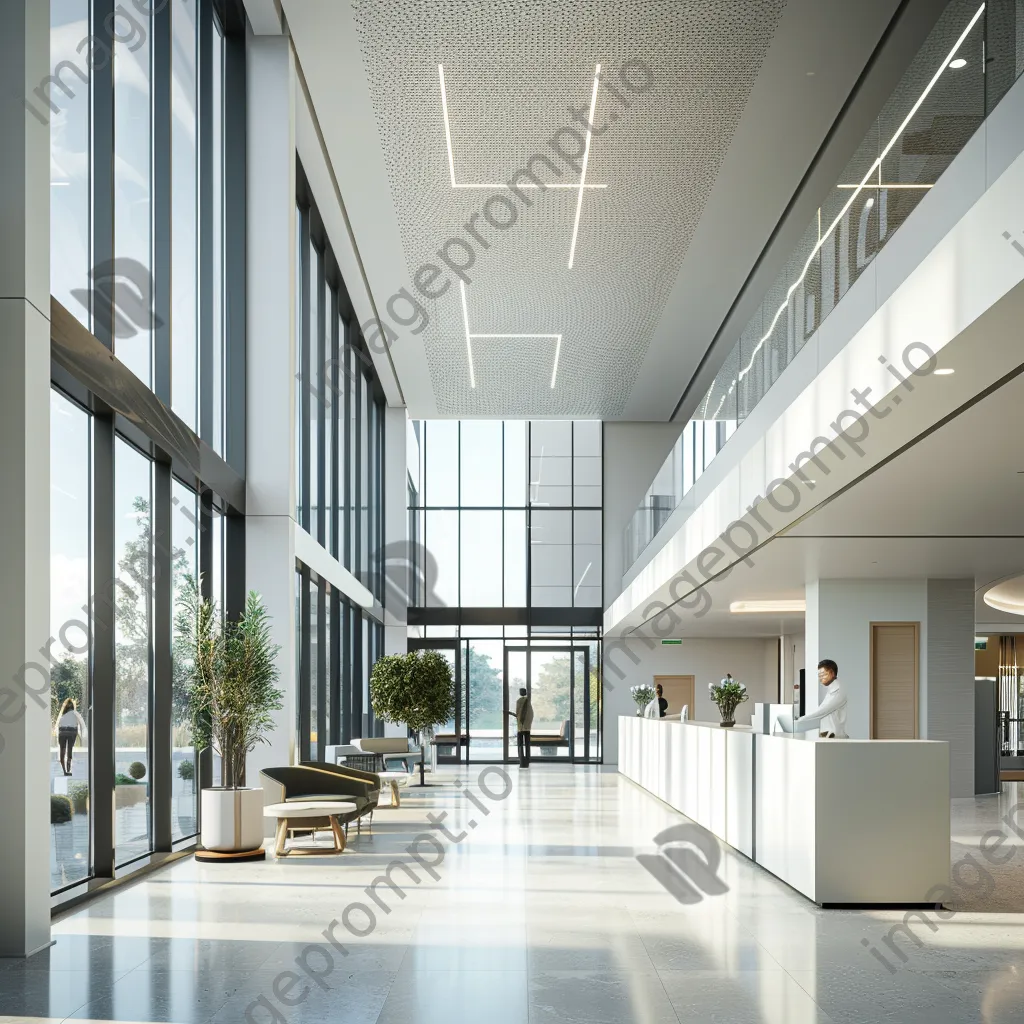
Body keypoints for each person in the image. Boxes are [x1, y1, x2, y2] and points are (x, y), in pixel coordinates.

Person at [795, 659, 848, 738]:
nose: (820, 678)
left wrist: (800, 720)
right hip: (829, 736)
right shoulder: (832, 689)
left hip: (836, 737)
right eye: (819, 675)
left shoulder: (839, 691)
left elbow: (823, 711)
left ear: (832, 673)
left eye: (823, 675)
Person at [55, 698, 87, 776]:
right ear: (73, 706)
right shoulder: (75, 713)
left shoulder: (62, 715)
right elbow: (82, 724)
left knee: (62, 750)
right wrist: (83, 736)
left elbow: (58, 725)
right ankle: (69, 770)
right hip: (72, 732)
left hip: (62, 732)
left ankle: (64, 771)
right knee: (70, 749)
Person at [509, 687, 534, 768]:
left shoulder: (519, 701)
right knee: (527, 744)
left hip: (521, 726)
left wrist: (510, 713)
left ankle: (522, 762)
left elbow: (518, 714)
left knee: (520, 744)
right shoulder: (528, 701)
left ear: (521, 692)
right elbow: (530, 714)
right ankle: (527, 761)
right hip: (527, 727)